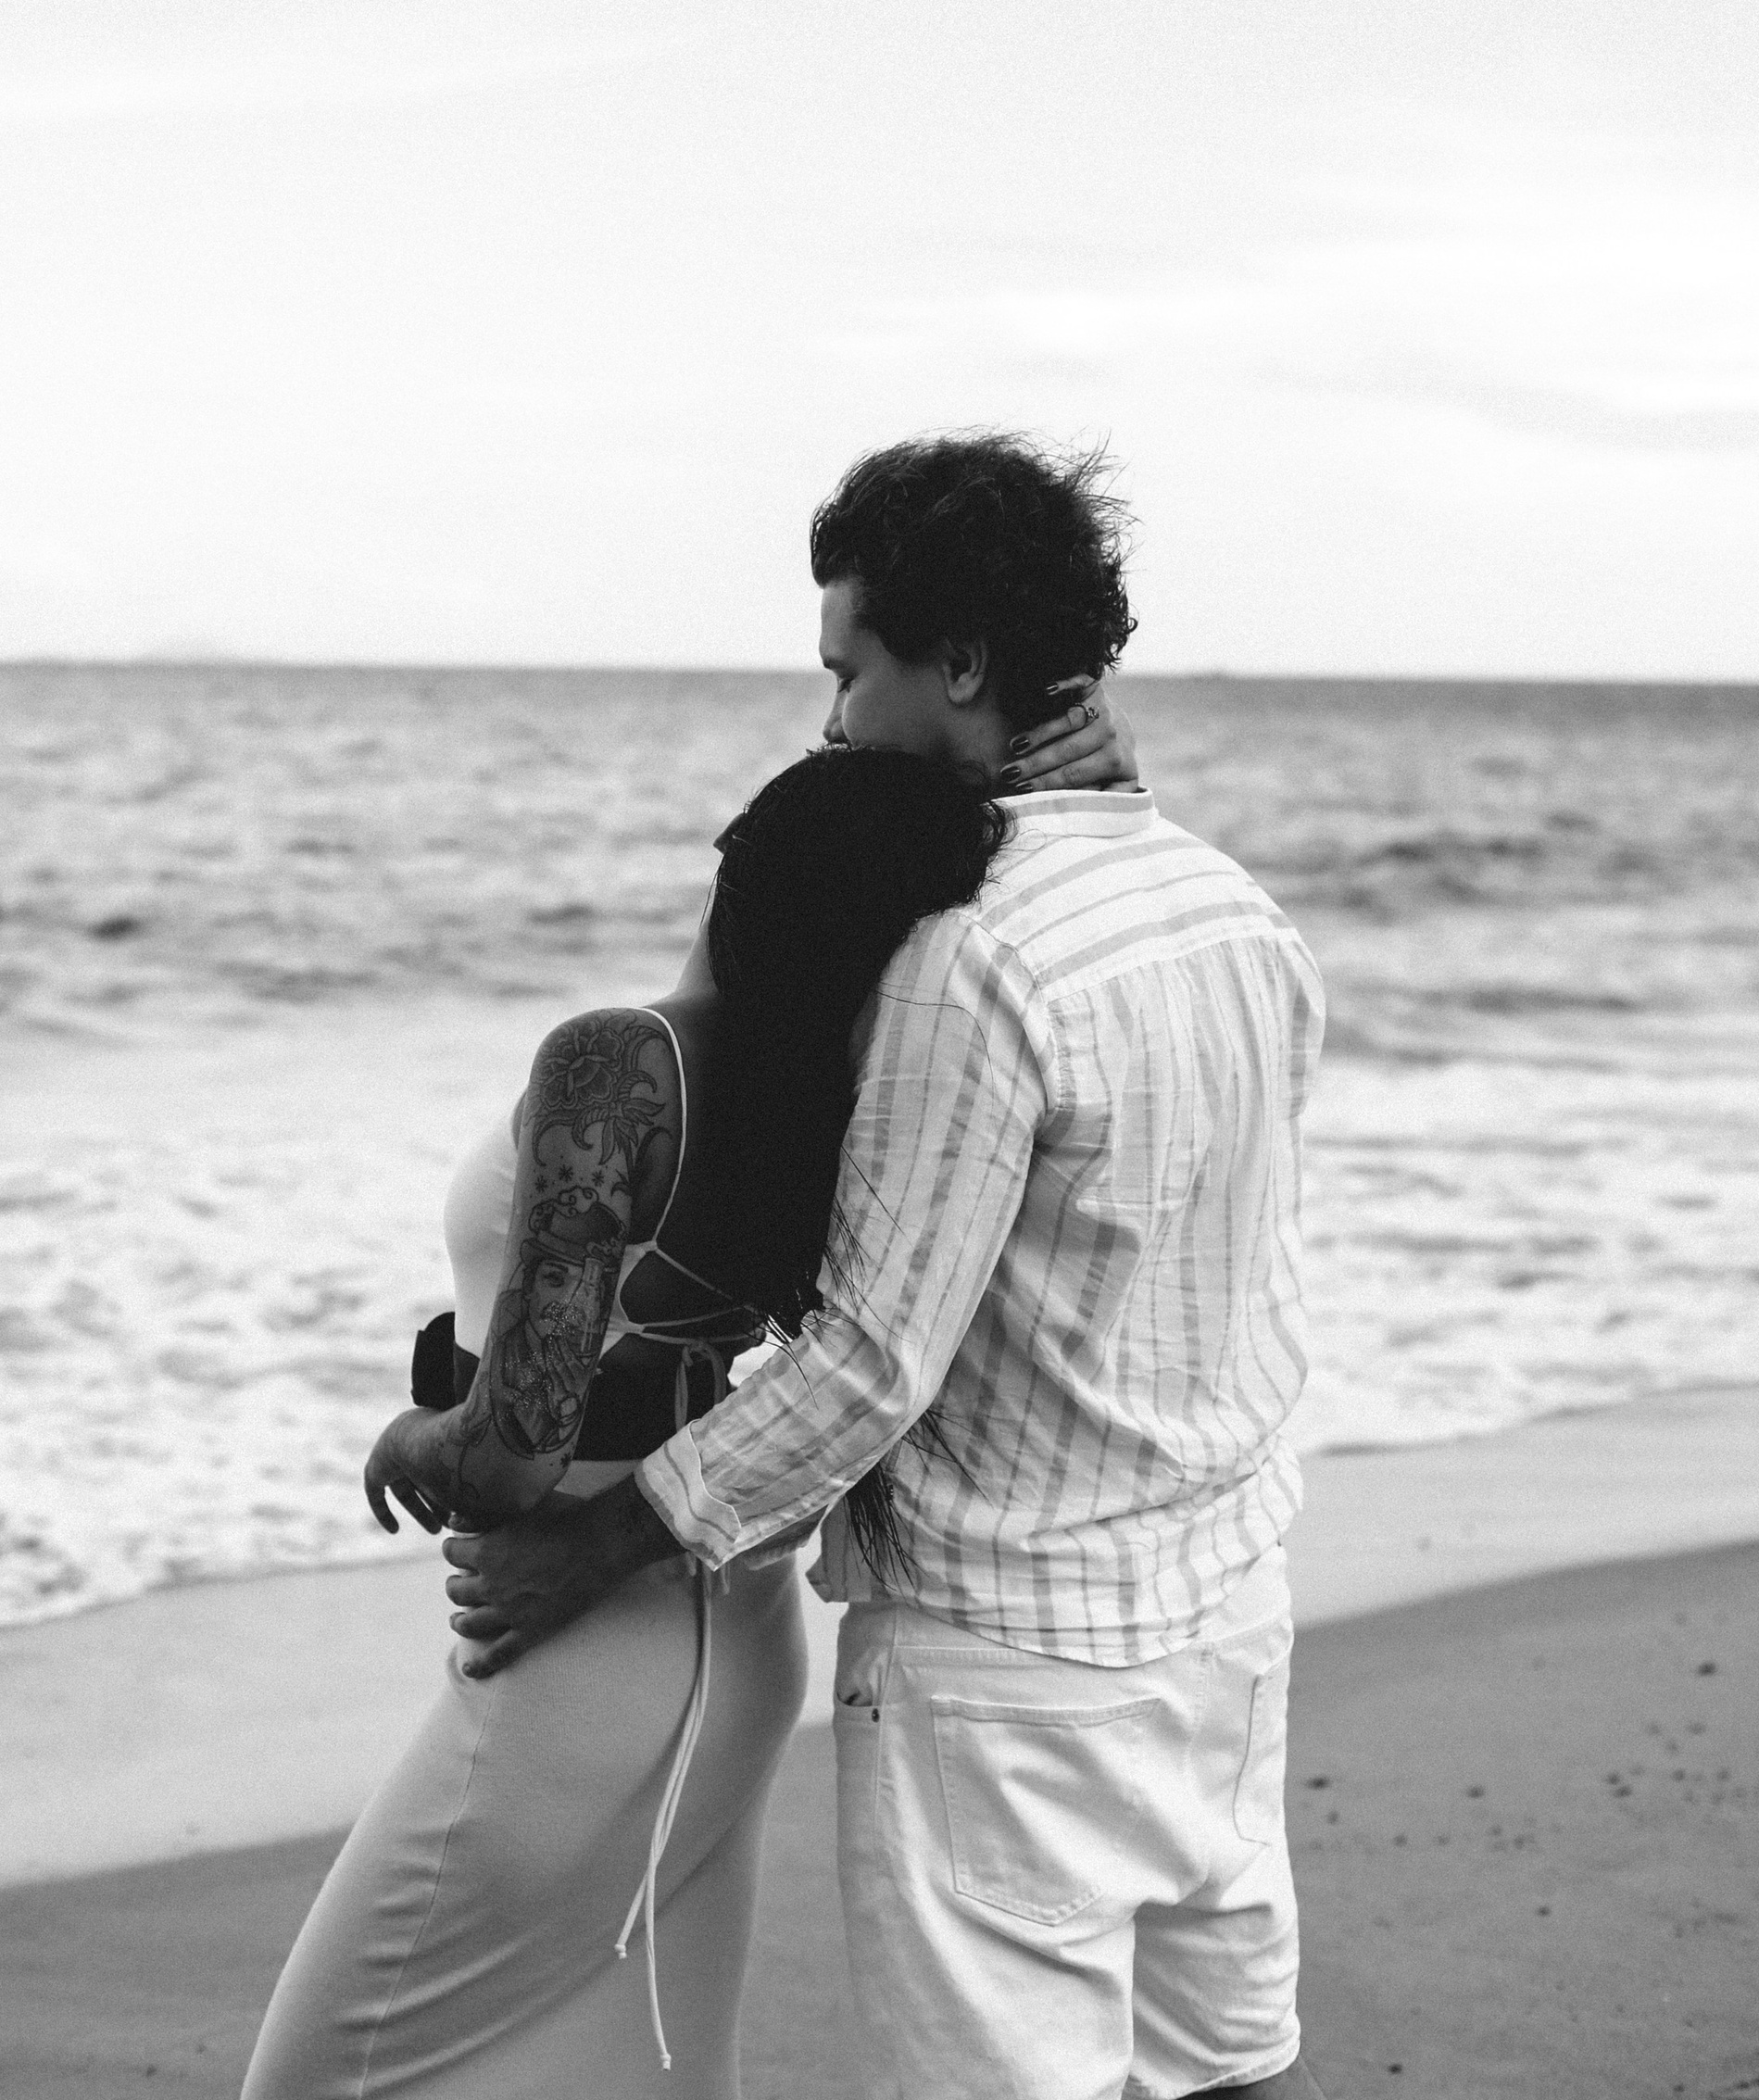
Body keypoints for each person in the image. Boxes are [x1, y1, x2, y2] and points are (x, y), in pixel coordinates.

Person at [446, 434, 1331, 2100]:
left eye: (848, 672)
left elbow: (869, 1364)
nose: (835, 722)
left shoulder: (969, 964)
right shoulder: (1229, 908)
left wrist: (600, 1549)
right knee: (1224, 2074)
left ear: (964, 664)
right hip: (1227, 1614)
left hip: (1014, 1672)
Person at [240, 697, 1134, 2100]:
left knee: (322, 2074)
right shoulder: (837, 1099)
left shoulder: (616, 1065)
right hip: (731, 1628)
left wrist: (414, 1432)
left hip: (575, 1650)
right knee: (640, 2071)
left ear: (741, 855)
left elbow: (514, 1454)